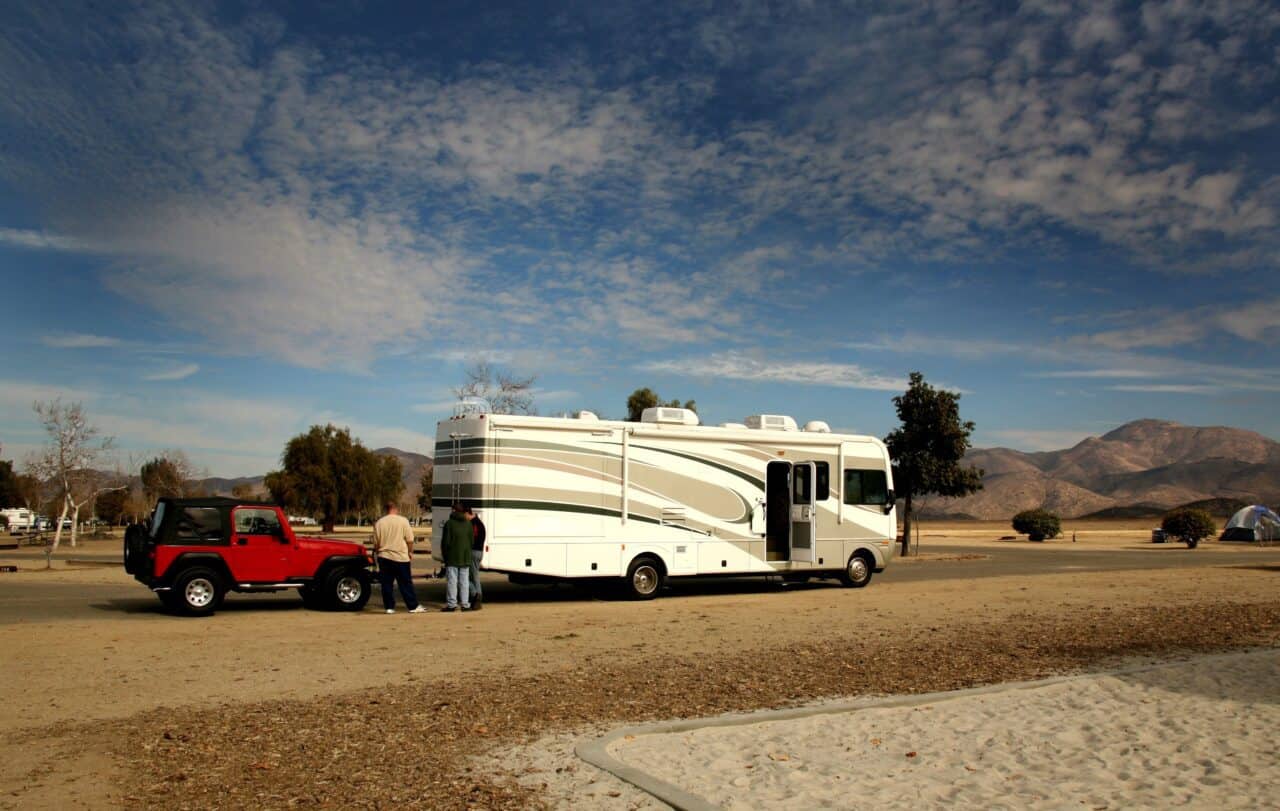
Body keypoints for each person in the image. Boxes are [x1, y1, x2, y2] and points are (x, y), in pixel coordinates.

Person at [372, 501, 426, 614]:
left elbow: (376, 542)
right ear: (396, 509)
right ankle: (412, 606)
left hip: (384, 556)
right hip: (401, 556)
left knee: (387, 583)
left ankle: (389, 607)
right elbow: (410, 540)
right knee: (405, 583)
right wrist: (410, 552)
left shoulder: (379, 523)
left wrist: (378, 552)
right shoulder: (403, 521)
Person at [439, 502, 474, 612]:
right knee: (464, 581)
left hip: (452, 557)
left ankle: (452, 604)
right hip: (465, 557)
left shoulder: (449, 524)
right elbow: (471, 541)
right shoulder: (468, 524)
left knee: (452, 581)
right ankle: (465, 604)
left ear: (454, 510)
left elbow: (445, 543)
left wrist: (445, 557)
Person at [466, 506, 486, 610]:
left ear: (467, 513)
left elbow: (472, 539)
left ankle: (477, 595)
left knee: (471, 576)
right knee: (473, 575)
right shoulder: (480, 523)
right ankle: (476, 595)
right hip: (479, 552)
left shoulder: (473, 524)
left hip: (474, 552)